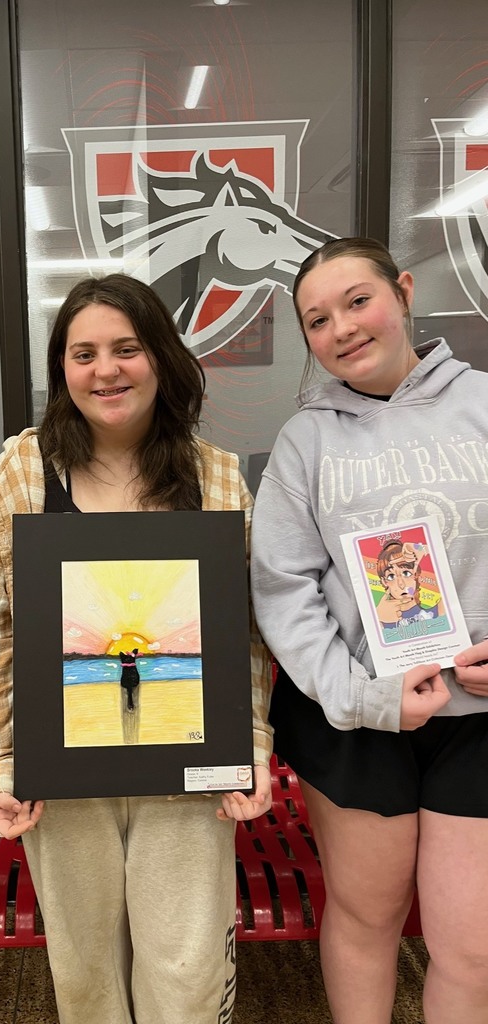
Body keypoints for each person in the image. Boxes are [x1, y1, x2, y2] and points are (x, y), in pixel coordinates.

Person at [0, 273, 273, 1024]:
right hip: (64, 774)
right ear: (61, 370)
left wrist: (250, 744)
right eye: (84, 353)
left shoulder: (219, 476)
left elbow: (249, 638)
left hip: (190, 770)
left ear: (161, 357)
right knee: (85, 973)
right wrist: (1, 760)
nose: (106, 370)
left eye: (127, 348)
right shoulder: (21, 475)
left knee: (188, 974)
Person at [250, 237, 488, 1024]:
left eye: (358, 301)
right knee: (365, 919)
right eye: (318, 320)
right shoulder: (305, 442)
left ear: (405, 291)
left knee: (471, 947)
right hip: (354, 717)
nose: (343, 328)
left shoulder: (483, 403)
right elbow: (283, 590)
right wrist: (363, 697)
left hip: (477, 721)